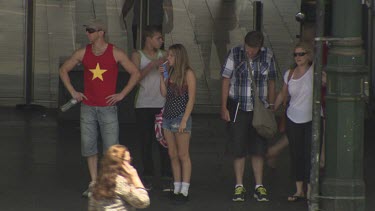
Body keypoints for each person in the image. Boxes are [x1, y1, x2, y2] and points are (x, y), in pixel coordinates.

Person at [59, 19, 140, 197]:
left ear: (101, 32)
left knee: (111, 149)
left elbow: (135, 72)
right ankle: (95, 183)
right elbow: (63, 69)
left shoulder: (115, 52)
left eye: (91, 30)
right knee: (89, 146)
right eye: (87, 30)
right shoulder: (83, 52)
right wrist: (73, 91)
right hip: (88, 106)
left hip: (107, 107)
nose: (87, 33)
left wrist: (122, 94)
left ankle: (107, 184)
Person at [221, 30, 276, 202]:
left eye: (253, 48)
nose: (250, 51)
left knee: (258, 148)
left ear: (260, 47)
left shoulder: (268, 55)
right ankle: (239, 185)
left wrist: (271, 105)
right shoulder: (235, 53)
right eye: (248, 47)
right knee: (238, 148)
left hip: (259, 108)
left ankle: (259, 186)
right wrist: (223, 107)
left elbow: (272, 80)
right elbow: (225, 79)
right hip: (238, 106)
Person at [131, 25, 172, 191]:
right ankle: (147, 175)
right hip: (143, 104)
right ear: (148, 39)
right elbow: (136, 77)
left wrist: (164, 70)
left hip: (161, 103)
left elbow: (168, 79)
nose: (161, 41)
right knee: (146, 141)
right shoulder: (137, 55)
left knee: (164, 141)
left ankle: (166, 176)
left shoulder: (165, 55)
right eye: (158, 38)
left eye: (162, 38)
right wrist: (153, 64)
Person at [274, 41, 314, 202]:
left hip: (311, 119)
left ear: (308, 55)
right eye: (295, 54)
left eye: (301, 54)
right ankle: (299, 190)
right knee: (296, 154)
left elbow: (326, 82)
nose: (298, 57)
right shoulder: (290, 73)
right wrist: (272, 108)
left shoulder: (314, 72)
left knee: (308, 154)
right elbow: (283, 94)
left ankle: (310, 189)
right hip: (293, 118)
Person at [159, 44, 196, 202]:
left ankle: (185, 189)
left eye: (171, 56)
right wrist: (162, 77)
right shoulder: (171, 72)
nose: (168, 58)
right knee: (172, 154)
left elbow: (191, 99)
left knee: (183, 154)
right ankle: (177, 186)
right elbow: (164, 93)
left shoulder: (188, 73)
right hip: (168, 117)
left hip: (180, 116)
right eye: (168, 55)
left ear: (178, 57)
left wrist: (184, 120)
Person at [89, 144, 150, 211]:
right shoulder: (120, 183)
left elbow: (92, 208)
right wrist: (135, 177)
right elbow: (143, 201)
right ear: (122, 163)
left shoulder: (96, 183)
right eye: (128, 161)